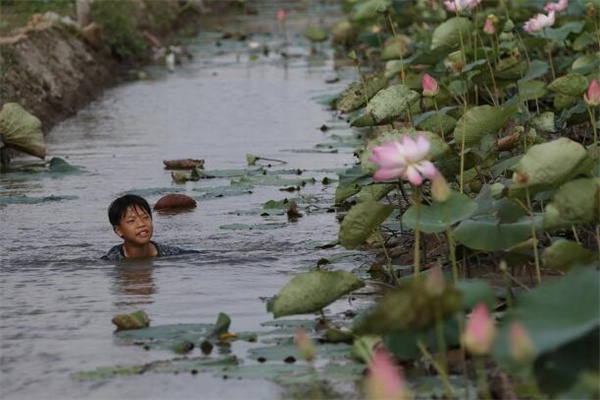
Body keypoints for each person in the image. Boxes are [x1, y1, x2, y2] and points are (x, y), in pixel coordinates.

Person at [101, 194, 199, 261]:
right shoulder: (112, 259)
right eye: (131, 221)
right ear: (118, 230)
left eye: (145, 217)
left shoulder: (169, 253)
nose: (141, 224)